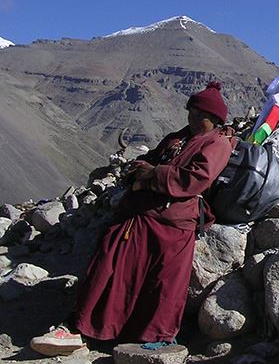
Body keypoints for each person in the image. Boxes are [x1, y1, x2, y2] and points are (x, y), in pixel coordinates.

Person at [30, 82, 233, 356]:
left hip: (172, 224)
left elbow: (193, 179)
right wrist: (146, 173)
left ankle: (152, 335)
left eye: (200, 116)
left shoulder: (216, 144)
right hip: (139, 216)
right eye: (192, 113)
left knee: (162, 283)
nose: (193, 119)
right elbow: (142, 162)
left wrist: (149, 177)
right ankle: (84, 327)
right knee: (107, 265)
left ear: (215, 119)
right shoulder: (179, 138)